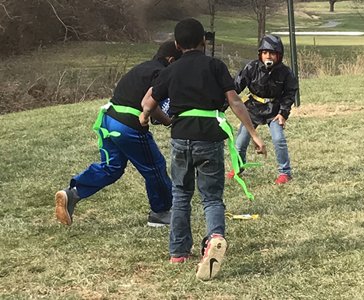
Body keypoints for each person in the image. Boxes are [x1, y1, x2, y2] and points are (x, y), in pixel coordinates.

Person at [139, 18, 266, 281]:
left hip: (181, 138)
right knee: (211, 197)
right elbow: (235, 101)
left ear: (176, 45)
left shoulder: (170, 70)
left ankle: (178, 252)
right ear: (204, 42)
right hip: (209, 139)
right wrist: (253, 133)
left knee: (181, 193)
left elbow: (149, 100)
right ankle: (215, 238)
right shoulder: (215, 65)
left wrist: (143, 117)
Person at [55, 41, 182, 227]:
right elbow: (151, 105)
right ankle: (160, 213)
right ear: (171, 60)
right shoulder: (161, 74)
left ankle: (72, 193)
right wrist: (168, 121)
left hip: (108, 119)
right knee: (155, 167)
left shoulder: (142, 67)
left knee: (111, 167)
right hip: (128, 125)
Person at [230, 34, 298, 184]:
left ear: (279, 55)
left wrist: (283, 113)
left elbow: (290, 92)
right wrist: (221, 105)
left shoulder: (285, 72)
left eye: (272, 53)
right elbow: (234, 87)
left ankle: (285, 173)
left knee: (279, 139)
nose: (268, 56)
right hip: (253, 108)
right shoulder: (251, 68)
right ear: (260, 54)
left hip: (274, 109)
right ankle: (238, 168)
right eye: (265, 53)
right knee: (240, 142)